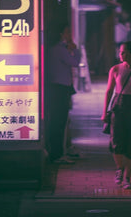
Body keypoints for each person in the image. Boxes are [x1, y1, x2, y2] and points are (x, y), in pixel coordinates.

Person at [101, 41, 131, 189]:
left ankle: (127, 178)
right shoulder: (115, 69)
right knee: (116, 140)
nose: (121, 55)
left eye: (125, 52)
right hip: (118, 106)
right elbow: (109, 91)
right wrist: (104, 112)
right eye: (120, 52)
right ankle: (119, 169)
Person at [48, 24, 81, 164]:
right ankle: (57, 155)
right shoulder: (60, 50)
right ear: (62, 34)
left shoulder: (55, 49)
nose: (70, 34)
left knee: (58, 122)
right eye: (68, 32)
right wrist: (76, 50)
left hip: (56, 88)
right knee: (59, 122)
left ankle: (58, 153)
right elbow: (74, 62)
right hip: (60, 89)